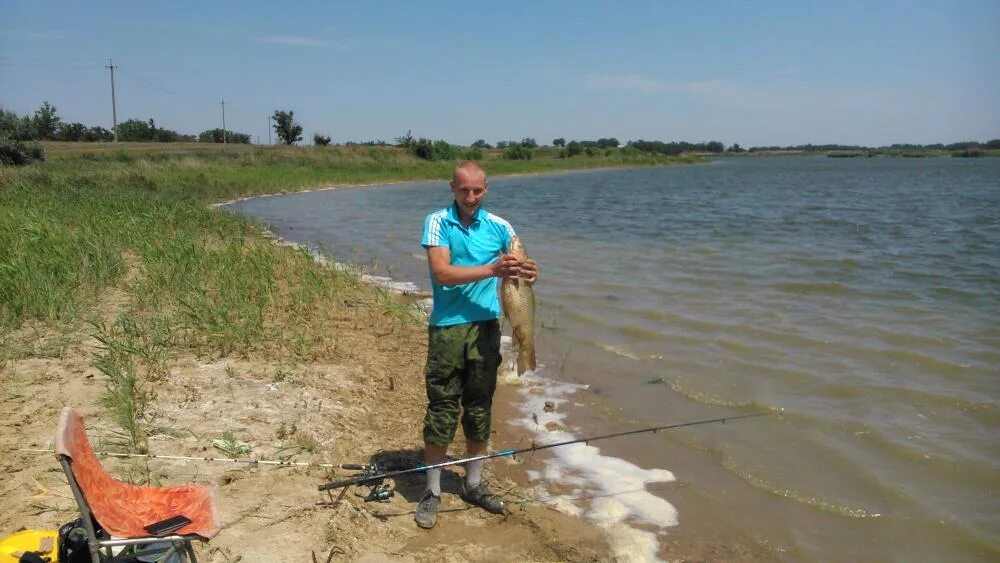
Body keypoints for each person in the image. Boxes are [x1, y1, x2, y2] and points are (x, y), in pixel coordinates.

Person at [415, 161, 538, 529]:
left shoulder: (502, 227)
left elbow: (524, 271)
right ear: (452, 187)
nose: (470, 197)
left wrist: (531, 271)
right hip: (448, 329)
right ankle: (433, 490)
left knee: (480, 407)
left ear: (486, 190)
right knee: (442, 408)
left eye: (477, 191)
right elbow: (442, 273)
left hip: (486, 328)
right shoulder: (437, 221)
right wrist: (492, 270)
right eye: (463, 190)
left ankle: (472, 484)